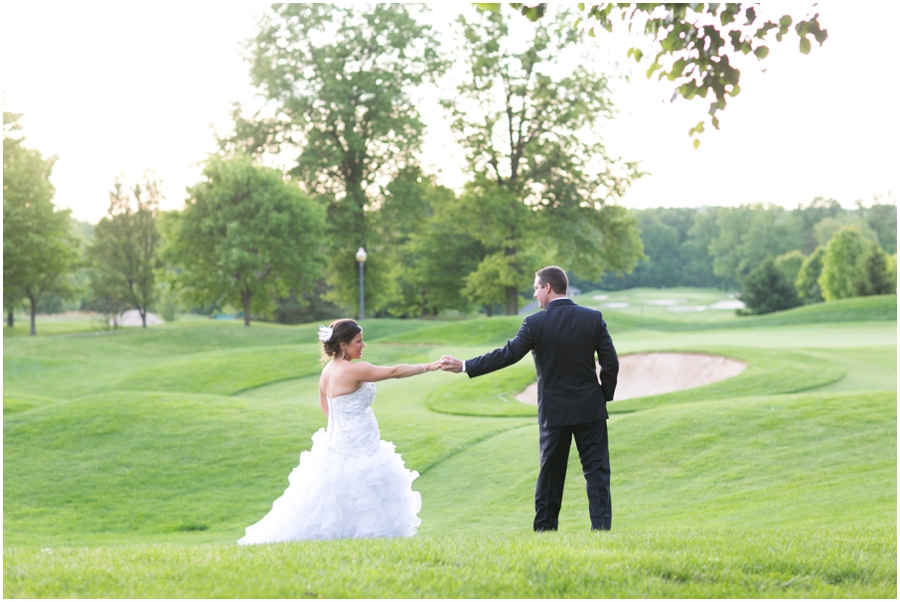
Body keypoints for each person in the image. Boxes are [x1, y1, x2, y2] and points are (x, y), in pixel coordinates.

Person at [440, 266, 619, 531]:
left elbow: (506, 355)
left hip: (554, 413)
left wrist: (465, 365)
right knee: (597, 474)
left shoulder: (535, 323)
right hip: (589, 409)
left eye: (536, 288)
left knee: (550, 476)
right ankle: (602, 531)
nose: (534, 294)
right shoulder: (593, 318)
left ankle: (545, 532)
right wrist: (602, 396)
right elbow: (610, 364)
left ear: (548, 287)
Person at [238, 318, 440, 544]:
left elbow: (326, 407)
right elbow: (393, 371)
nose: (363, 346)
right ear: (343, 345)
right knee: (365, 490)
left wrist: (345, 428)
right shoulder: (354, 370)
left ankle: (345, 537)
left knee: (335, 492)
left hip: (337, 442)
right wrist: (430, 366)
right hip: (360, 445)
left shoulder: (326, 372)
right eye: (358, 341)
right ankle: (366, 536)